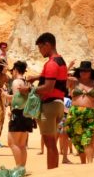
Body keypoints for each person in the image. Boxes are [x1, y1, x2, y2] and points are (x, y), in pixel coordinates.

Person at [26, 32, 68, 169]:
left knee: (49, 143)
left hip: (49, 105)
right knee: (52, 142)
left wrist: (29, 90)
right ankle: (53, 171)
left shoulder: (50, 63)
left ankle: (51, 173)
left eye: (40, 47)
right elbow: (55, 79)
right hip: (58, 104)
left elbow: (48, 87)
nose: (40, 51)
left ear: (47, 45)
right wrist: (37, 78)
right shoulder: (60, 61)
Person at [64, 61, 94, 164]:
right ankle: (83, 164)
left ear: (90, 72)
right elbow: (60, 77)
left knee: (87, 138)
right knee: (77, 139)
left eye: (86, 71)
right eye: (81, 71)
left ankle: (89, 164)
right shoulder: (73, 81)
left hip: (91, 113)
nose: (83, 72)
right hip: (75, 113)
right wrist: (69, 67)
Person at [7, 61, 33, 167]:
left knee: (12, 143)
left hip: (18, 113)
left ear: (16, 70)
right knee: (22, 144)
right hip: (27, 114)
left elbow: (17, 99)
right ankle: (22, 167)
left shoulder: (16, 82)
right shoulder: (26, 82)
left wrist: (5, 95)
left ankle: (18, 167)